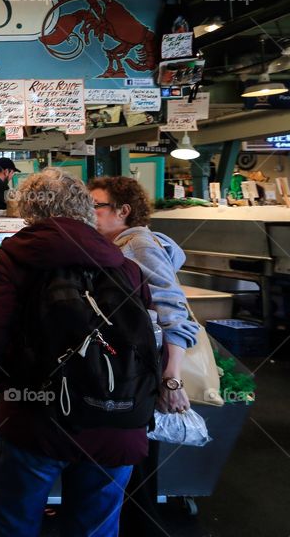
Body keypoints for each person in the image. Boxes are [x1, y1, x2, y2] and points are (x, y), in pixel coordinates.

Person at [0, 169, 154, 537]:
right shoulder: (125, 265)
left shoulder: (13, 258)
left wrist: (19, 385)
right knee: (94, 529)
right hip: (116, 420)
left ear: (28, 211)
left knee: (14, 525)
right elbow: (148, 338)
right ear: (85, 207)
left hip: (37, 420)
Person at [88, 176, 199, 536]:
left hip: (143, 371)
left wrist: (172, 377)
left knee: (136, 471)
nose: (90, 213)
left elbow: (172, 310)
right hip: (133, 368)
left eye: (97, 206)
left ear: (123, 210)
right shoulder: (117, 244)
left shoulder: (137, 245)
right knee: (133, 464)